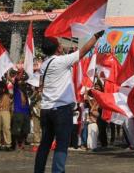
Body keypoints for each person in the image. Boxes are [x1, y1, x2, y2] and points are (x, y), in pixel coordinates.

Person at [34, 31, 104, 173]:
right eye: (60, 44)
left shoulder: (44, 65)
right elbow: (83, 51)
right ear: (57, 48)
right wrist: (96, 36)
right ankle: (58, 171)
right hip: (61, 110)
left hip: (46, 109)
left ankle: (38, 170)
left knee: (45, 144)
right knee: (61, 144)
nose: (61, 46)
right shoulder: (61, 61)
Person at [11, 71, 31, 150]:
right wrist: (20, 71)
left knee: (25, 130)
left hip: (26, 111)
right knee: (16, 130)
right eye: (20, 81)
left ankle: (22, 144)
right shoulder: (16, 89)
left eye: (23, 81)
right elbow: (16, 80)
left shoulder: (25, 91)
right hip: (18, 111)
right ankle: (15, 144)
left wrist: (25, 71)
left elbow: (28, 77)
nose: (21, 82)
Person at [0, 82, 12, 150]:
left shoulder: (8, 94)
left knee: (6, 128)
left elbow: (12, 92)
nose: (0, 89)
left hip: (6, 111)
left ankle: (8, 144)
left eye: (2, 87)